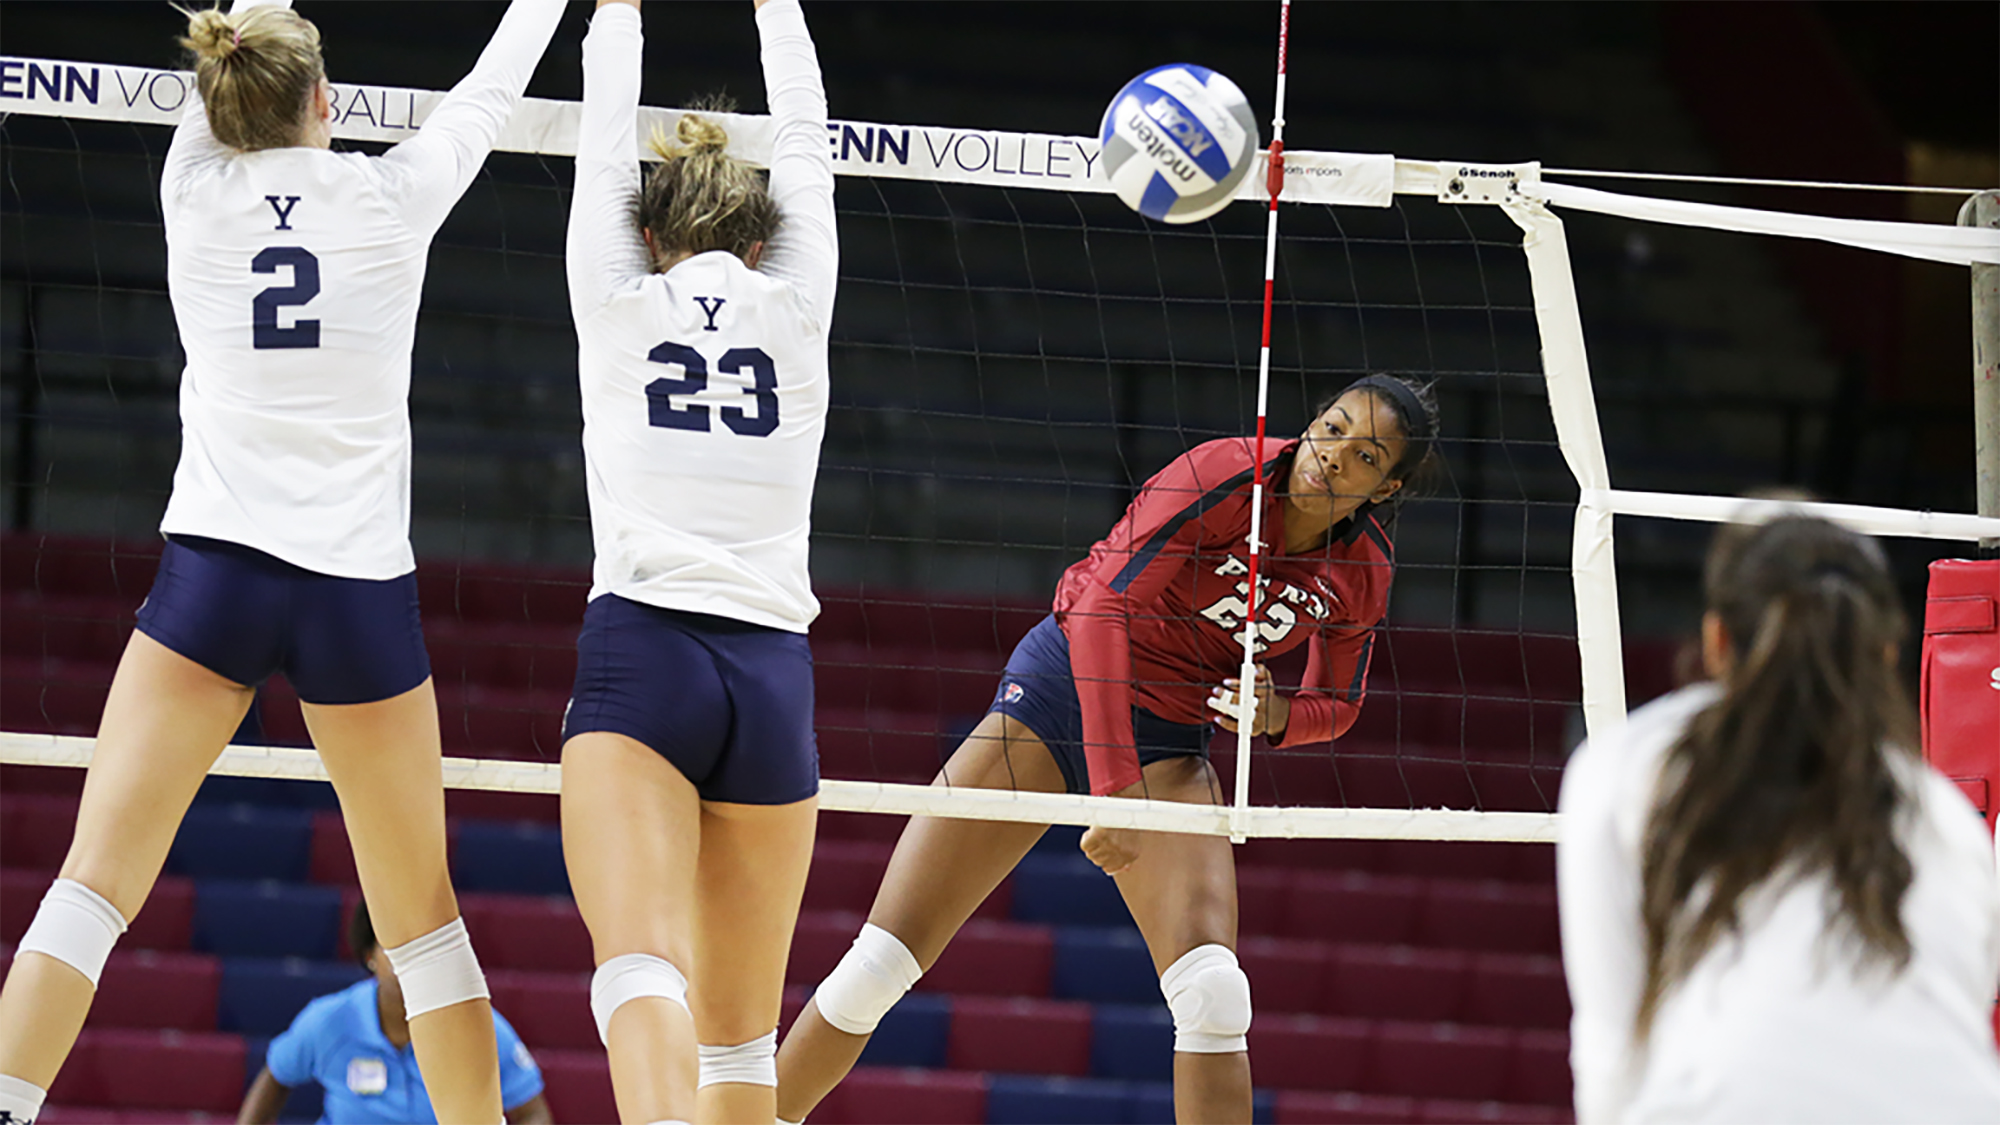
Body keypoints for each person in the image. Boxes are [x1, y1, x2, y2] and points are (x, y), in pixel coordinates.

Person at [0, 2, 565, 1123]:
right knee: (423, 924)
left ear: (216, 99)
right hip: (354, 595)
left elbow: (247, 46)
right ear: (324, 101)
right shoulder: (390, 199)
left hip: (214, 577)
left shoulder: (192, 192)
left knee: (92, 885)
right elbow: (489, 99)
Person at [775, 375, 1442, 1125]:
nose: (1333, 455)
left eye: (1364, 454)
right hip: (1063, 691)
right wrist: (1113, 791)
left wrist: (1277, 714)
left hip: (1170, 739)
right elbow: (1100, 607)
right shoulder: (1222, 475)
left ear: (1385, 488)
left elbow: (1341, 705)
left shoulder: (1361, 571)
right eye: (1332, 427)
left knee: (1215, 994)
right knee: (881, 962)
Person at [558, 0, 835, 1121]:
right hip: (773, 676)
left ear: (650, 238)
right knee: (740, 1050)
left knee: (640, 970)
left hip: (646, 647)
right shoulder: (798, 303)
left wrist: (616, 14)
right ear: (763, 243)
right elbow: (807, 133)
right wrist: (778, 8)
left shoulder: (618, 303)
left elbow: (599, 133)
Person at [1557, 514, 2000, 1124]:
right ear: (1887, 654)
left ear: (1716, 642)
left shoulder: (1629, 769)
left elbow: (1610, 1038)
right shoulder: (1943, 813)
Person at [236, 900, 553, 1125]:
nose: (408, 961)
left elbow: (533, 1114)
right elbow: (276, 1077)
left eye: (419, 948)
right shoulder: (329, 1020)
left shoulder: (479, 1028)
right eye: (394, 946)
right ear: (369, 954)